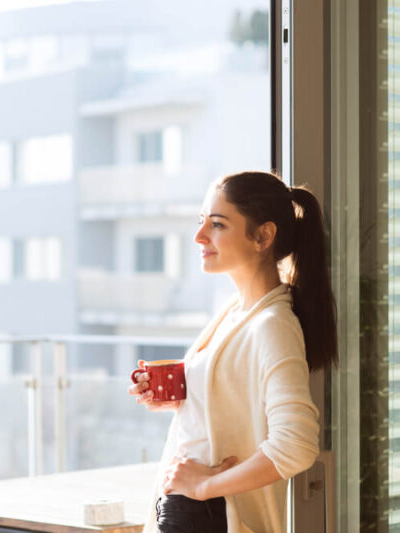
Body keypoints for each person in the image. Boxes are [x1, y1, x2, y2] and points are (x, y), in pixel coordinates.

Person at [128, 171, 338, 533]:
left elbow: (296, 446)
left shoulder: (271, 324)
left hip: (211, 516)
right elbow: (233, 399)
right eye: (201, 222)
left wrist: (203, 485)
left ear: (263, 236)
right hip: (190, 510)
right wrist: (180, 395)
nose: (199, 236)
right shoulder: (235, 312)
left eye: (218, 224)